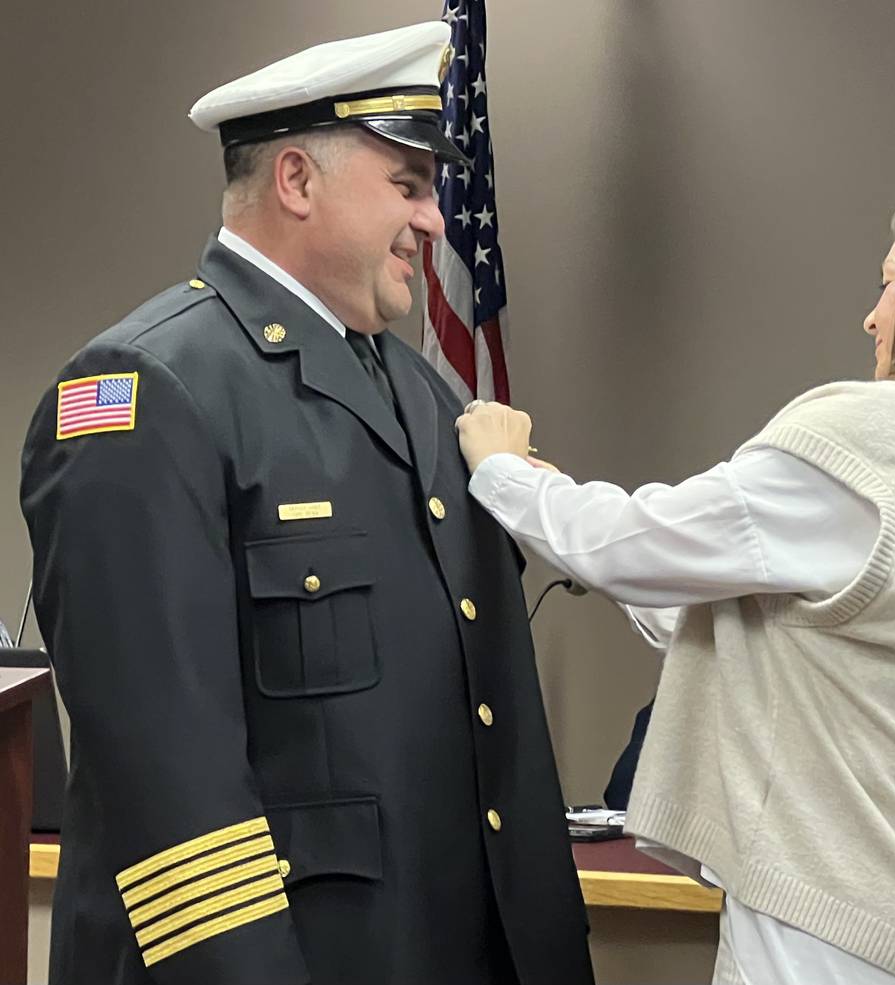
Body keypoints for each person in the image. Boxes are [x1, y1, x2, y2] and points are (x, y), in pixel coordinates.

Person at [19, 23, 591, 985]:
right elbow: (168, 785)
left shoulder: (425, 394)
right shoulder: (148, 389)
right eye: (407, 186)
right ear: (296, 181)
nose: (436, 219)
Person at [456, 178, 895, 985]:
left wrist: (503, 473)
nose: (873, 315)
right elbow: (745, 606)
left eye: (889, 282)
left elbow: (637, 544)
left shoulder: (886, 436)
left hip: (834, 924)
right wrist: (559, 507)